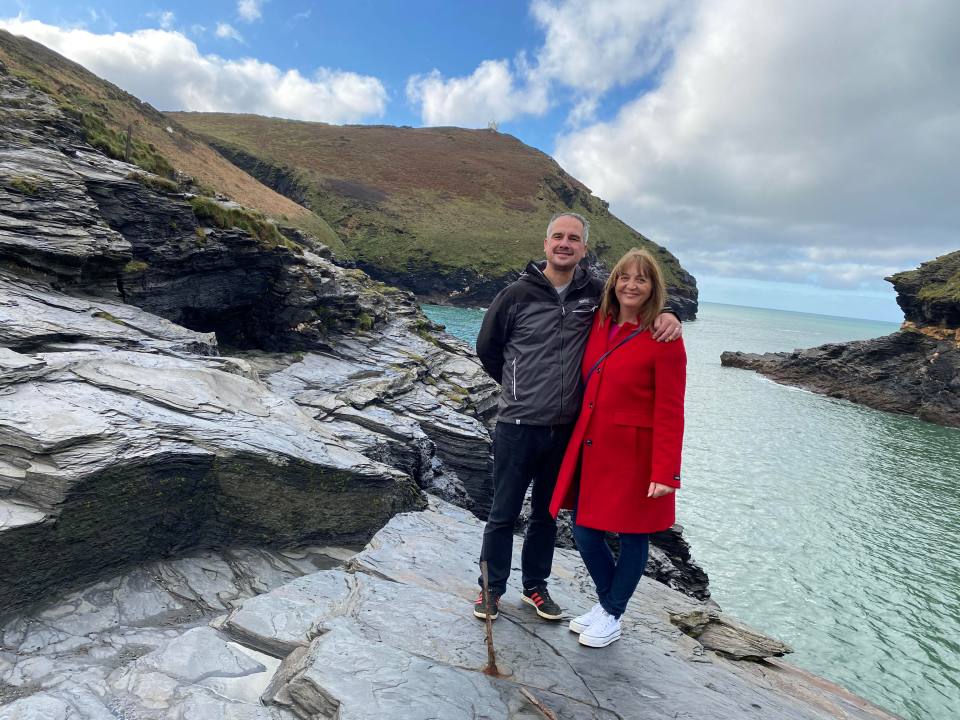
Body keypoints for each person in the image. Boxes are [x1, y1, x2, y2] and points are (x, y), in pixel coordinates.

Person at [473, 214, 682, 622]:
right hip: (516, 425)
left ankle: (535, 587)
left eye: (573, 238)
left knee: (546, 516)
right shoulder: (515, 295)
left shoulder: (594, 294)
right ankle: (490, 590)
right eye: (558, 237)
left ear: (584, 248)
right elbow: (488, 349)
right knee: (502, 513)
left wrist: (669, 311)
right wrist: (517, 387)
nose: (564, 243)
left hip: (566, 431)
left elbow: (636, 292)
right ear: (546, 243)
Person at [549, 247, 686, 647]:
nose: (631, 285)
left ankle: (611, 611)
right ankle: (609, 604)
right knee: (585, 531)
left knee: (632, 535)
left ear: (652, 287)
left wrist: (665, 472)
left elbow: (671, 410)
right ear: (614, 283)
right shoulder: (599, 322)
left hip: (636, 455)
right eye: (625, 277)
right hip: (593, 448)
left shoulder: (663, 338)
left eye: (641, 279)